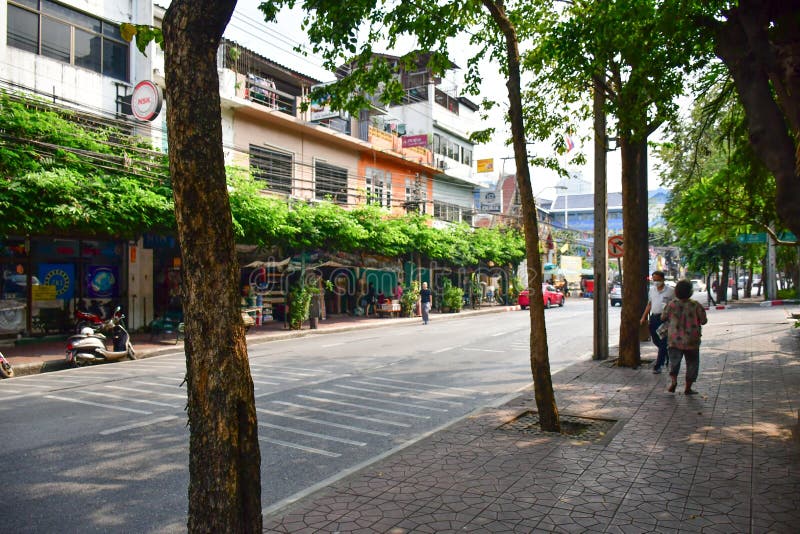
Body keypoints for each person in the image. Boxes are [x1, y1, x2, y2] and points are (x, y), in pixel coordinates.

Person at [661, 279, 708, 395]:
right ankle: (688, 388)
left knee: (674, 362)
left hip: (674, 339)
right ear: (690, 291)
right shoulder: (695, 305)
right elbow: (703, 321)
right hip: (692, 340)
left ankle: (673, 382)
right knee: (692, 363)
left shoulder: (671, 304)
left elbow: (662, 317)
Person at [640, 270, 675, 374]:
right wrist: (643, 317)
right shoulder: (651, 290)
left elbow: (675, 305)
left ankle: (658, 365)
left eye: (658, 280)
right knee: (656, 340)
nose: (656, 282)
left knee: (663, 342)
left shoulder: (670, 291)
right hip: (654, 318)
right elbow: (649, 304)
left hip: (665, 319)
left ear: (663, 279)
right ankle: (665, 353)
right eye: (654, 280)